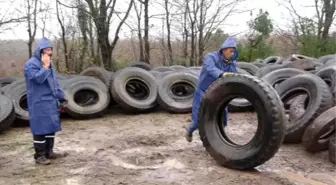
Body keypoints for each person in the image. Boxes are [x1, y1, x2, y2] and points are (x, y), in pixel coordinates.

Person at [185, 36, 238, 142]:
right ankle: (189, 131)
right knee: (198, 118)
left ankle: (218, 141)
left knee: (223, 118)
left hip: (218, 94)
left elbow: (234, 75)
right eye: (230, 51)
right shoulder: (211, 57)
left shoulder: (231, 63)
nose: (232, 54)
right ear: (224, 49)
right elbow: (210, 68)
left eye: (233, 52)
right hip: (203, 92)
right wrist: (222, 74)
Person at [24, 37, 68, 165]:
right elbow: (37, 79)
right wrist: (45, 67)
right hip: (38, 102)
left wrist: (61, 96)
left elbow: (54, 82)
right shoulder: (30, 64)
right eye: (46, 50)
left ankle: (49, 152)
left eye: (50, 50)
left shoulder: (50, 63)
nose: (49, 52)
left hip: (50, 101)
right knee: (40, 129)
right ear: (40, 51)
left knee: (51, 128)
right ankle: (39, 156)